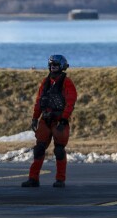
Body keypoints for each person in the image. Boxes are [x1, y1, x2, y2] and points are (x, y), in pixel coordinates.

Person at [21, 54, 77, 188]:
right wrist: (35, 117)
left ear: (62, 67)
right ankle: (33, 179)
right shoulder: (45, 83)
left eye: (56, 66)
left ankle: (60, 180)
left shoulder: (67, 82)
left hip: (59, 121)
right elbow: (39, 101)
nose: (53, 68)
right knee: (39, 149)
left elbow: (70, 101)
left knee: (59, 150)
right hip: (45, 120)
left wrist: (64, 118)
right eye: (52, 65)